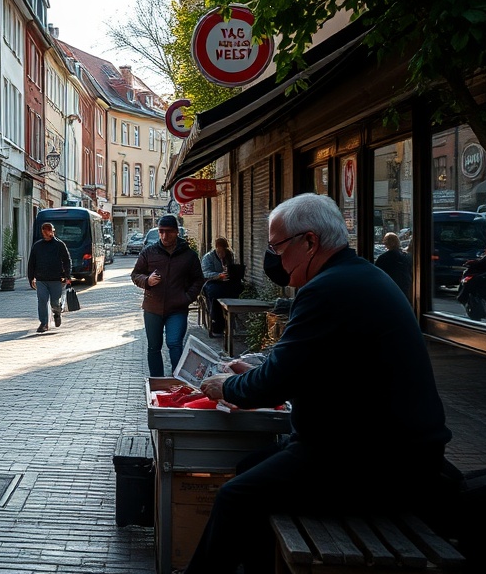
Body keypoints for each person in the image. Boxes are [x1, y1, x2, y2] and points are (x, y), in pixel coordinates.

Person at [182, 194, 451, 574]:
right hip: (389, 452)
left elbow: (274, 383)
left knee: (235, 497)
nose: (274, 258)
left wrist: (226, 386)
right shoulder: (358, 275)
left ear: (309, 242)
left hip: (374, 463)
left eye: (277, 246)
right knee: (249, 467)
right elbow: (305, 364)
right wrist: (254, 371)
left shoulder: (326, 289)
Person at [131, 215, 204, 376]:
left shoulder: (189, 255)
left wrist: (187, 298)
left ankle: (178, 380)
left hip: (177, 308)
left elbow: (198, 280)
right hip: (152, 308)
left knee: (175, 343)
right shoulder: (149, 252)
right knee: (154, 347)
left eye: (169, 232)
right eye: (161, 232)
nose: (164, 236)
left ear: (177, 232)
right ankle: (157, 382)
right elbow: (135, 274)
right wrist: (147, 281)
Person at [26, 222, 72, 333]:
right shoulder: (37, 246)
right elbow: (31, 262)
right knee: (42, 300)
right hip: (41, 279)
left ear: (52, 231)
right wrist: (31, 278)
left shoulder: (59, 245)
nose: (46, 234)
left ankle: (57, 313)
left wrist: (67, 276)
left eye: (48, 231)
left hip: (56, 279)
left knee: (55, 303)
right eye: (44, 232)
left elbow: (67, 261)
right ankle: (43, 323)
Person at [200, 236, 238, 336]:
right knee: (215, 294)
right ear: (216, 248)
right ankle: (216, 323)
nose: (221, 254)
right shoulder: (208, 257)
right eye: (219, 252)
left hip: (226, 282)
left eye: (223, 252)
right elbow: (204, 273)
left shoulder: (229, 255)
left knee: (235, 290)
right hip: (211, 282)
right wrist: (218, 276)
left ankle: (231, 320)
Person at [375, 231, 413, 297]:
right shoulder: (406, 256)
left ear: (386, 243)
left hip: (390, 288)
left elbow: (377, 275)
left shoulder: (383, 258)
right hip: (405, 287)